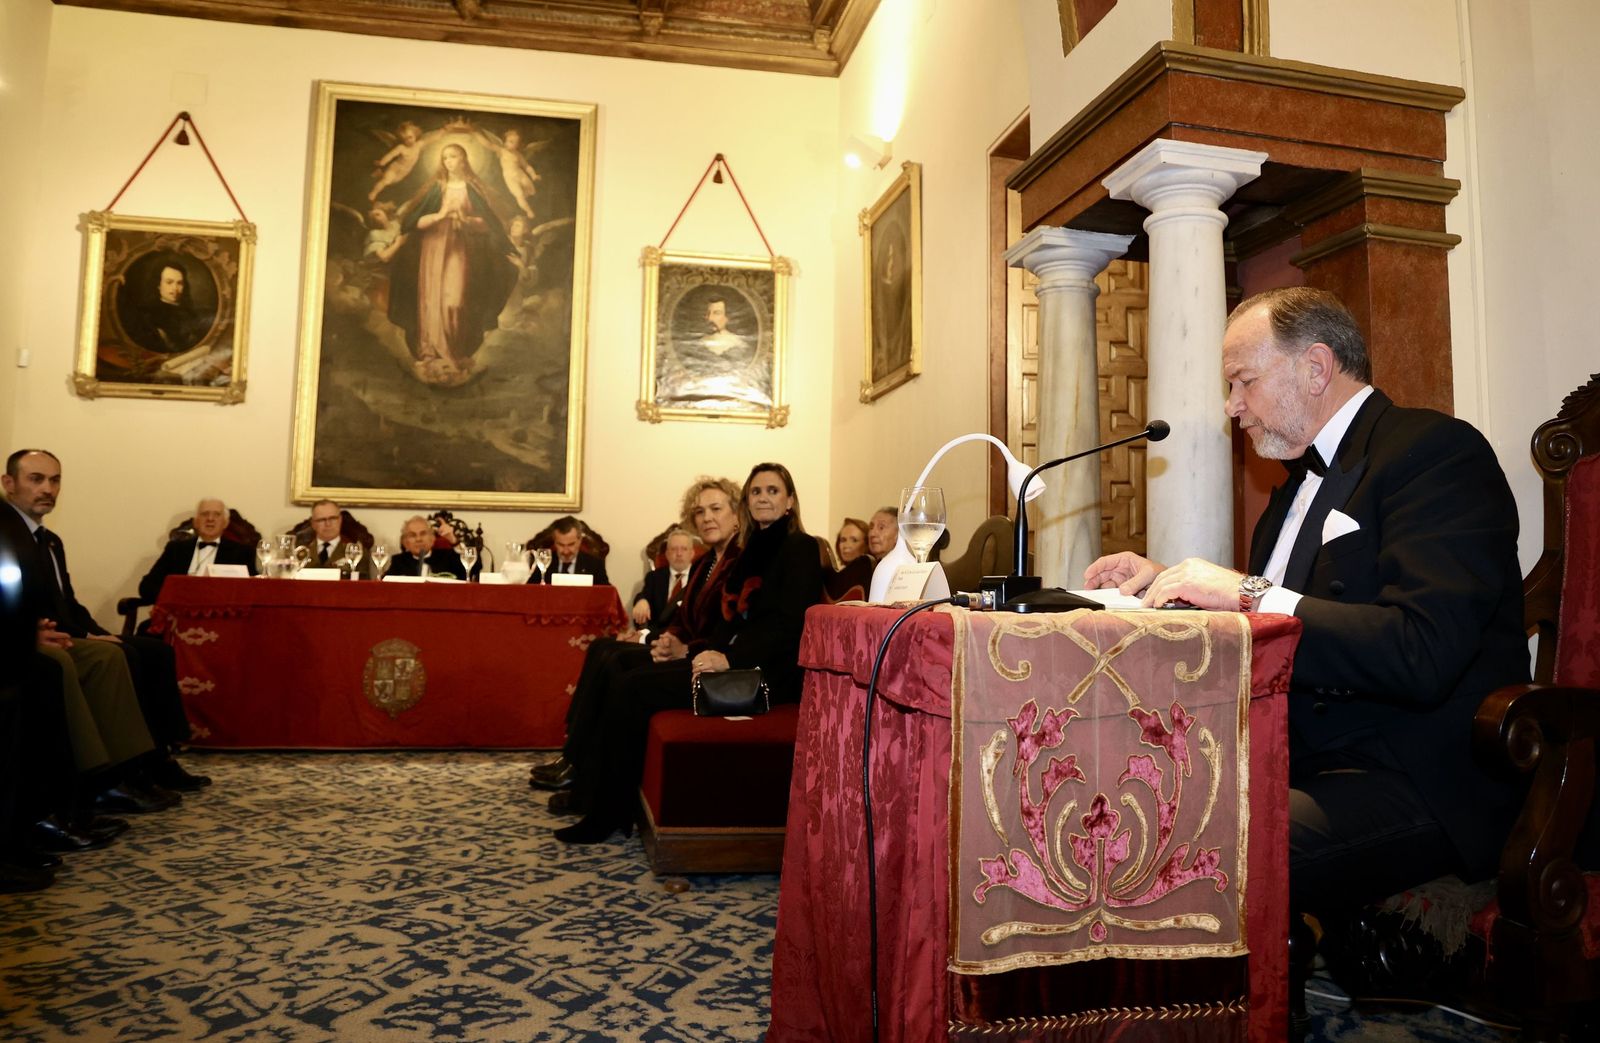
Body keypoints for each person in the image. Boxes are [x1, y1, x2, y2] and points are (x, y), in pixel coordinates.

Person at [1081, 287, 1528, 912]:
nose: (1232, 406)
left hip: (1421, 774)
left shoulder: (1435, 451)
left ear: (1316, 368)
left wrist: (1241, 590)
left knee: (1197, 848)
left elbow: (1422, 651)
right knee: (1109, 806)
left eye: (1243, 381)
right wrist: (1170, 584)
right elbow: (1292, 612)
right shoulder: (1290, 489)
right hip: (1306, 756)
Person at [554, 463, 824, 844]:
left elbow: (790, 625)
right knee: (628, 678)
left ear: (790, 501)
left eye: (773, 491)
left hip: (765, 677)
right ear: (747, 502)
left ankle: (607, 814)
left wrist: (728, 659)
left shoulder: (800, 547)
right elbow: (731, 620)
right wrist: (710, 651)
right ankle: (600, 798)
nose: (763, 498)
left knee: (632, 688)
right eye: (756, 491)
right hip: (735, 663)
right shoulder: (754, 549)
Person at [4, 449, 205, 807]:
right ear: (9, 483)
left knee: (152, 650)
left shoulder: (49, 540)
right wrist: (30, 633)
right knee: (112, 655)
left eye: (55, 480)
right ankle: (104, 779)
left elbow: (68, 603)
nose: (48, 488)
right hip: (29, 637)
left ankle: (153, 759)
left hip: (57, 631)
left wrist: (93, 631)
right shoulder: (7, 534)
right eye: (36, 479)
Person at [533, 479, 740, 798]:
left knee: (619, 663)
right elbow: (683, 619)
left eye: (716, 509)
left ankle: (588, 773)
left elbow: (726, 629)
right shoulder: (706, 563)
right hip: (682, 649)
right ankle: (574, 755)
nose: (707, 517)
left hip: (708, 662)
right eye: (700, 511)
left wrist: (681, 646)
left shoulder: (738, 561)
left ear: (737, 513)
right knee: (602, 647)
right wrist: (670, 639)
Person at [386, 142, 518, 387]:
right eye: (445, 157)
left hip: (459, 248)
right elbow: (412, 223)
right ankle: (430, 354)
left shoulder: (472, 190)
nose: (449, 162)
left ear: (464, 159)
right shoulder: (437, 188)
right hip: (433, 249)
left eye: (453, 156)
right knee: (430, 301)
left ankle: (455, 353)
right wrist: (440, 215)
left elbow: (488, 225)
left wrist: (467, 220)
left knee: (454, 301)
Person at [136, 497, 257, 604]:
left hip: (221, 615)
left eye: (217, 515)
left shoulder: (242, 552)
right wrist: (174, 597)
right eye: (205, 514)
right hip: (178, 612)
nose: (210, 519)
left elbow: (251, 590)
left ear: (225, 523)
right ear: (196, 522)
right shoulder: (175, 549)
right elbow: (146, 587)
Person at [120, 256, 210, 356]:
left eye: (179, 283)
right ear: (158, 284)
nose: (175, 288)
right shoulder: (147, 314)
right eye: (169, 282)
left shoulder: (192, 313)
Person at [630, 528, 696, 633]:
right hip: (657, 635)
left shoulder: (701, 576)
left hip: (689, 635)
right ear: (667, 554)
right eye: (674, 549)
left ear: (692, 553)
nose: (679, 554)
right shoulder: (654, 577)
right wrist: (641, 600)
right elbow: (644, 595)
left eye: (684, 549)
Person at [299, 499, 375, 579]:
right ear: (313, 523)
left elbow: (362, 583)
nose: (328, 524)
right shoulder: (300, 552)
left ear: (340, 520)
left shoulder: (358, 553)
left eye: (333, 518)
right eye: (321, 520)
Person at [534, 516, 609, 585]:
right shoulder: (542, 563)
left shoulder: (595, 564)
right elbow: (531, 590)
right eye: (561, 545)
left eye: (571, 544)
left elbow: (605, 592)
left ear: (580, 540)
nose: (566, 551)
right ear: (554, 541)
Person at [387, 516, 466, 579]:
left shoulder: (449, 557)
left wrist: (453, 540)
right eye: (412, 535)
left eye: (423, 534)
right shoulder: (397, 561)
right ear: (405, 542)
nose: (418, 539)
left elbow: (471, 571)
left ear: (432, 538)